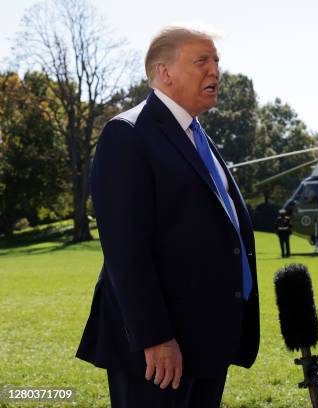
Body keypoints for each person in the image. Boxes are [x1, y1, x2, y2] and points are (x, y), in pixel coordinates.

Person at [76, 25, 259, 408]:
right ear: (165, 72)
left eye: (216, 61)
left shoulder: (199, 137)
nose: (215, 71)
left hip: (206, 341)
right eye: (201, 61)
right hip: (158, 351)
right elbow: (126, 251)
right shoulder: (127, 134)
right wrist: (154, 337)